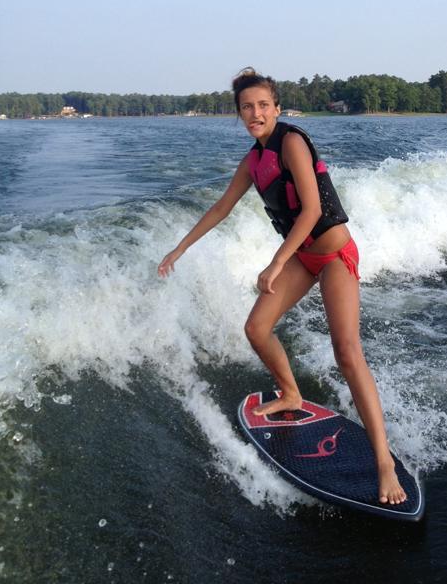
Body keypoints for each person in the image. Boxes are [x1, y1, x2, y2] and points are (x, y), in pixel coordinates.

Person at [158, 68, 406, 506]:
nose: (255, 113)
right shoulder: (252, 161)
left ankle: (383, 462)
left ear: (275, 107)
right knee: (256, 328)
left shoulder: (291, 142)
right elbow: (221, 208)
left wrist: (276, 262)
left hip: (332, 256)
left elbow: (311, 211)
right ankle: (291, 391)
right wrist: (179, 249)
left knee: (347, 352)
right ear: (239, 114)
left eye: (262, 105)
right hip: (303, 258)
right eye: (246, 108)